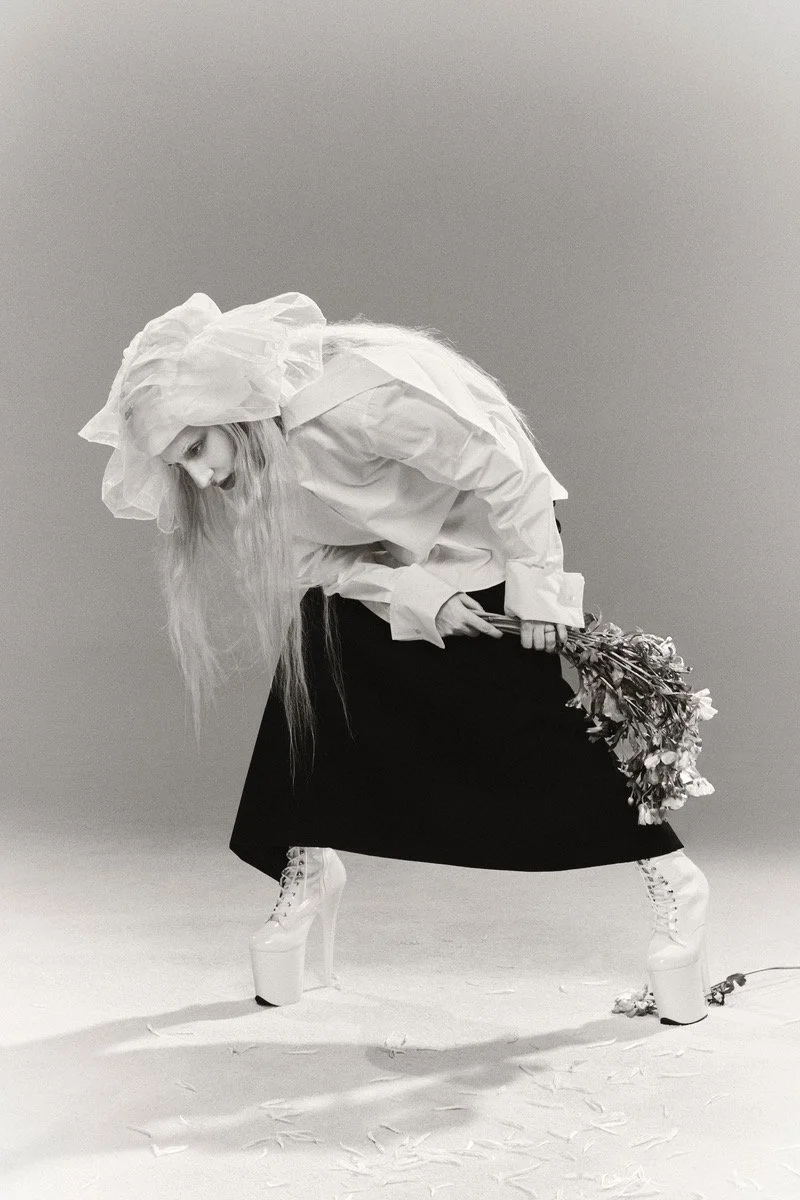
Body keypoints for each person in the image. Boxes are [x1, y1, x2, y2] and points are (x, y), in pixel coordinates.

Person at [79, 290, 711, 1027]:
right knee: (313, 684)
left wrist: (541, 593)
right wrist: (413, 590)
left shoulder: (364, 403)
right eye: (178, 463)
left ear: (229, 409)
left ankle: (675, 880)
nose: (197, 477)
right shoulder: (247, 463)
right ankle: (305, 867)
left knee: (530, 732)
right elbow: (312, 562)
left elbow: (511, 474)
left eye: (194, 449)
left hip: (495, 546)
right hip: (396, 567)